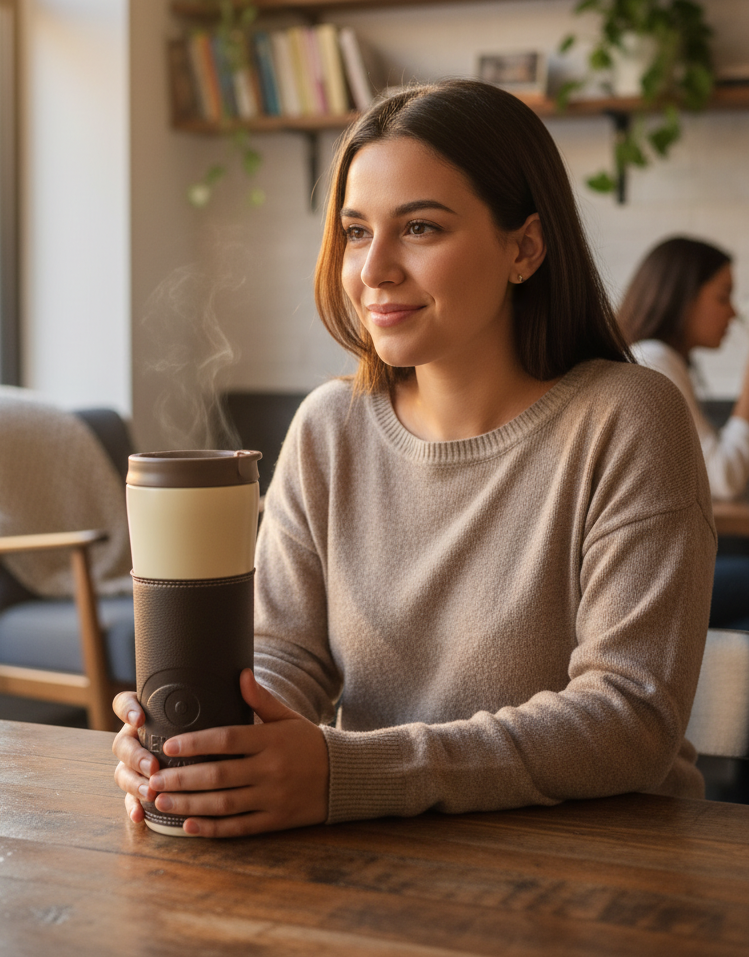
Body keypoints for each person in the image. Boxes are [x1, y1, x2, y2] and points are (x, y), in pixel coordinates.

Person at [112, 80, 715, 838]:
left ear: (524, 246)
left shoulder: (628, 418)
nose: (374, 271)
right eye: (356, 231)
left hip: (602, 869)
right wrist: (216, 737)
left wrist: (349, 773)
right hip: (385, 855)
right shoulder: (330, 426)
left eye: (421, 228)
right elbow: (283, 658)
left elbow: (629, 719)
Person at [620, 235, 749, 630]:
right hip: (643, 586)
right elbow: (723, 481)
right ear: (683, 296)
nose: (734, 314)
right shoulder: (654, 362)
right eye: (723, 296)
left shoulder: (659, 359)